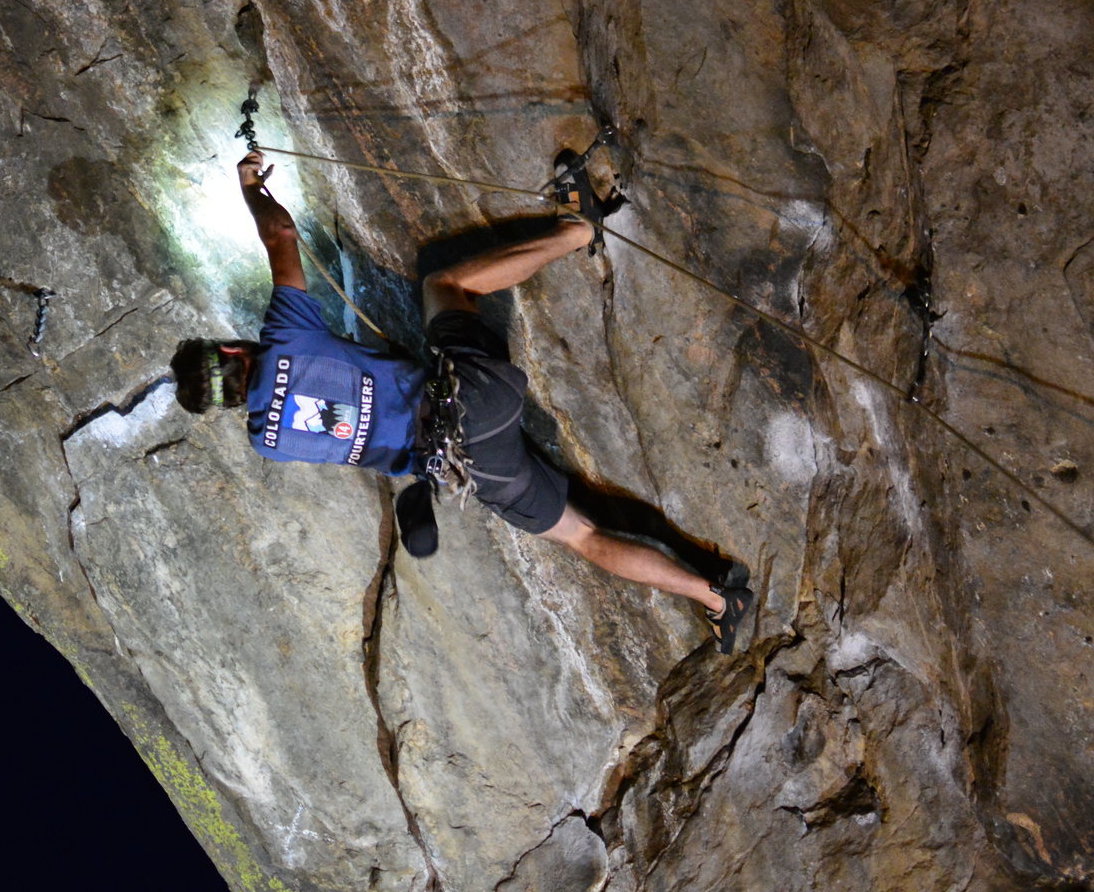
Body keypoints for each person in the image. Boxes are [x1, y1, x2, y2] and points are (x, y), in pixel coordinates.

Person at [171, 148, 755, 652]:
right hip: (474, 392)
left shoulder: (268, 442)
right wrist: (251, 189)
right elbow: (280, 235)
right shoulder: (282, 338)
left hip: (469, 463)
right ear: (231, 348)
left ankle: (715, 598)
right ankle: (578, 230)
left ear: (226, 403)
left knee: (583, 536)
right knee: (443, 286)